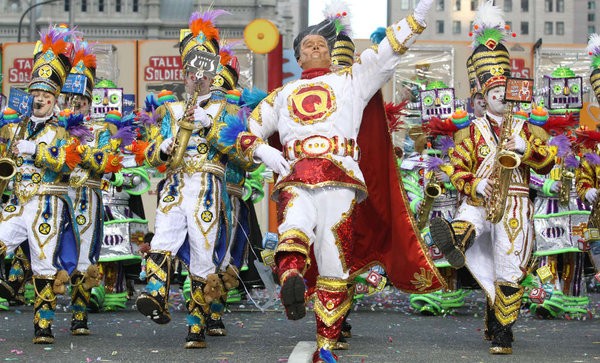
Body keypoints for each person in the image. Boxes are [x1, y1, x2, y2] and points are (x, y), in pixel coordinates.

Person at [229, 1, 445, 361]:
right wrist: (263, 152)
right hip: (296, 176)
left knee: (335, 265)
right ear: (298, 58)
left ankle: (326, 347)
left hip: (342, 182)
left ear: (331, 54)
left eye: (323, 45)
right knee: (294, 229)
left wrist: (418, 17)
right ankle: (291, 280)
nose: (318, 48)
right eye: (310, 46)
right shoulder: (281, 96)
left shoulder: (352, 80)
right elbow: (245, 130)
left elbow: (385, 53)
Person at [429, 1, 557, 355]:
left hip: (515, 201)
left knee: (507, 264)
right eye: (493, 93)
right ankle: (456, 242)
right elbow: (455, 167)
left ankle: (502, 330)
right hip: (480, 197)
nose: (500, 97)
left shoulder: (526, 128)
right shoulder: (470, 132)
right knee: (466, 218)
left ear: (512, 94)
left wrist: (527, 148)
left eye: (504, 92)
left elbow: (548, 163)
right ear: (483, 98)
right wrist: (476, 184)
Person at [134, 9, 251, 349]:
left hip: (208, 189)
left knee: (202, 255)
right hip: (174, 186)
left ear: (213, 72)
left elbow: (239, 152)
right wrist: (164, 146)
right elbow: (151, 154)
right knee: (162, 241)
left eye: (203, 71)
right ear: (184, 75)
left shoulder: (227, 110)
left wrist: (209, 125)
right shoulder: (170, 110)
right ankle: (155, 297)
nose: (196, 77)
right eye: (190, 72)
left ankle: (196, 324)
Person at [0, 25, 82, 344]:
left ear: (54, 100)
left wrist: (38, 151)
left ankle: (43, 324)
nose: (40, 100)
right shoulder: (13, 129)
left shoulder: (62, 133)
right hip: (17, 203)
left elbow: (67, 162)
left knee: (43, 264)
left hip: (46, 206)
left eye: (46, 96)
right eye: (36, 95)